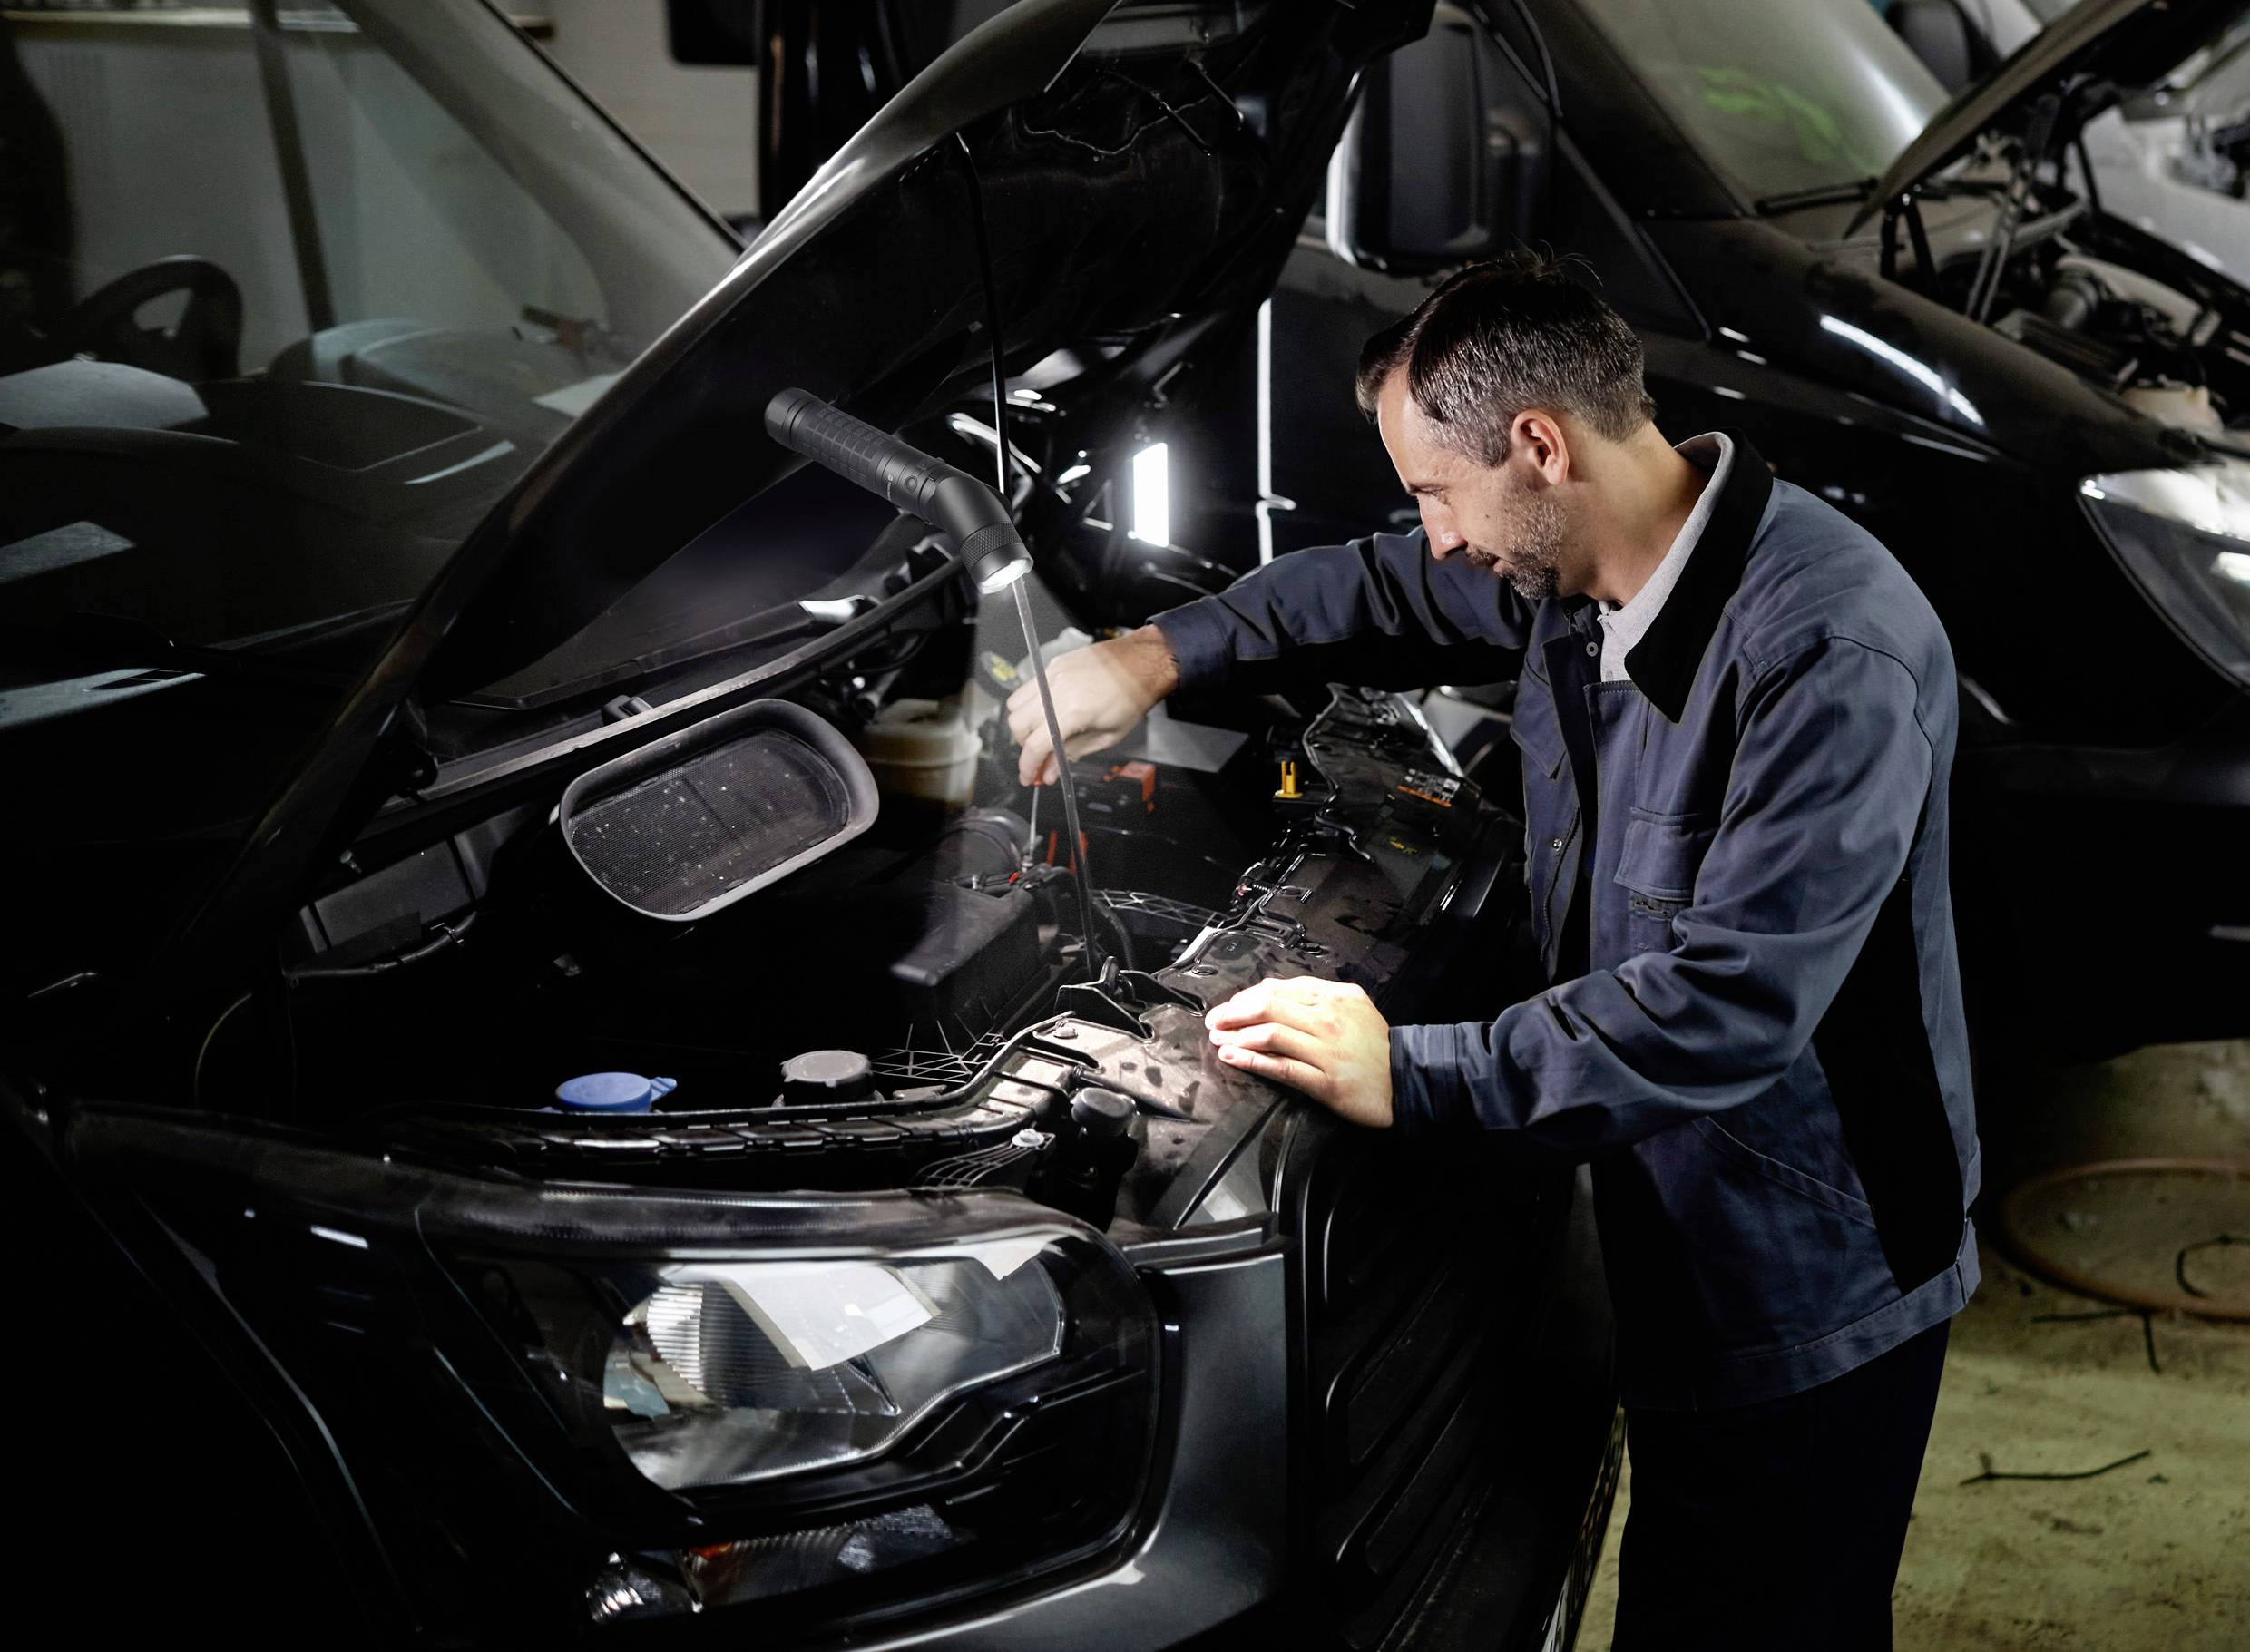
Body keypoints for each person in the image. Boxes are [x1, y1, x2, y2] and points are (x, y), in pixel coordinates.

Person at [1007, 254, 1980, 1650]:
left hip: (1809, 1269)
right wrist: (1151, 656)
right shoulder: (1580, 573)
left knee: (1761, 1616)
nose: (1439, 535)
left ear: (1538, 446)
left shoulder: (1828, 651)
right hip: (1673, 1210)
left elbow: (1726, 1009)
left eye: (1433, 491)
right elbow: (1378, 590)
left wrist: (1411, 1067)